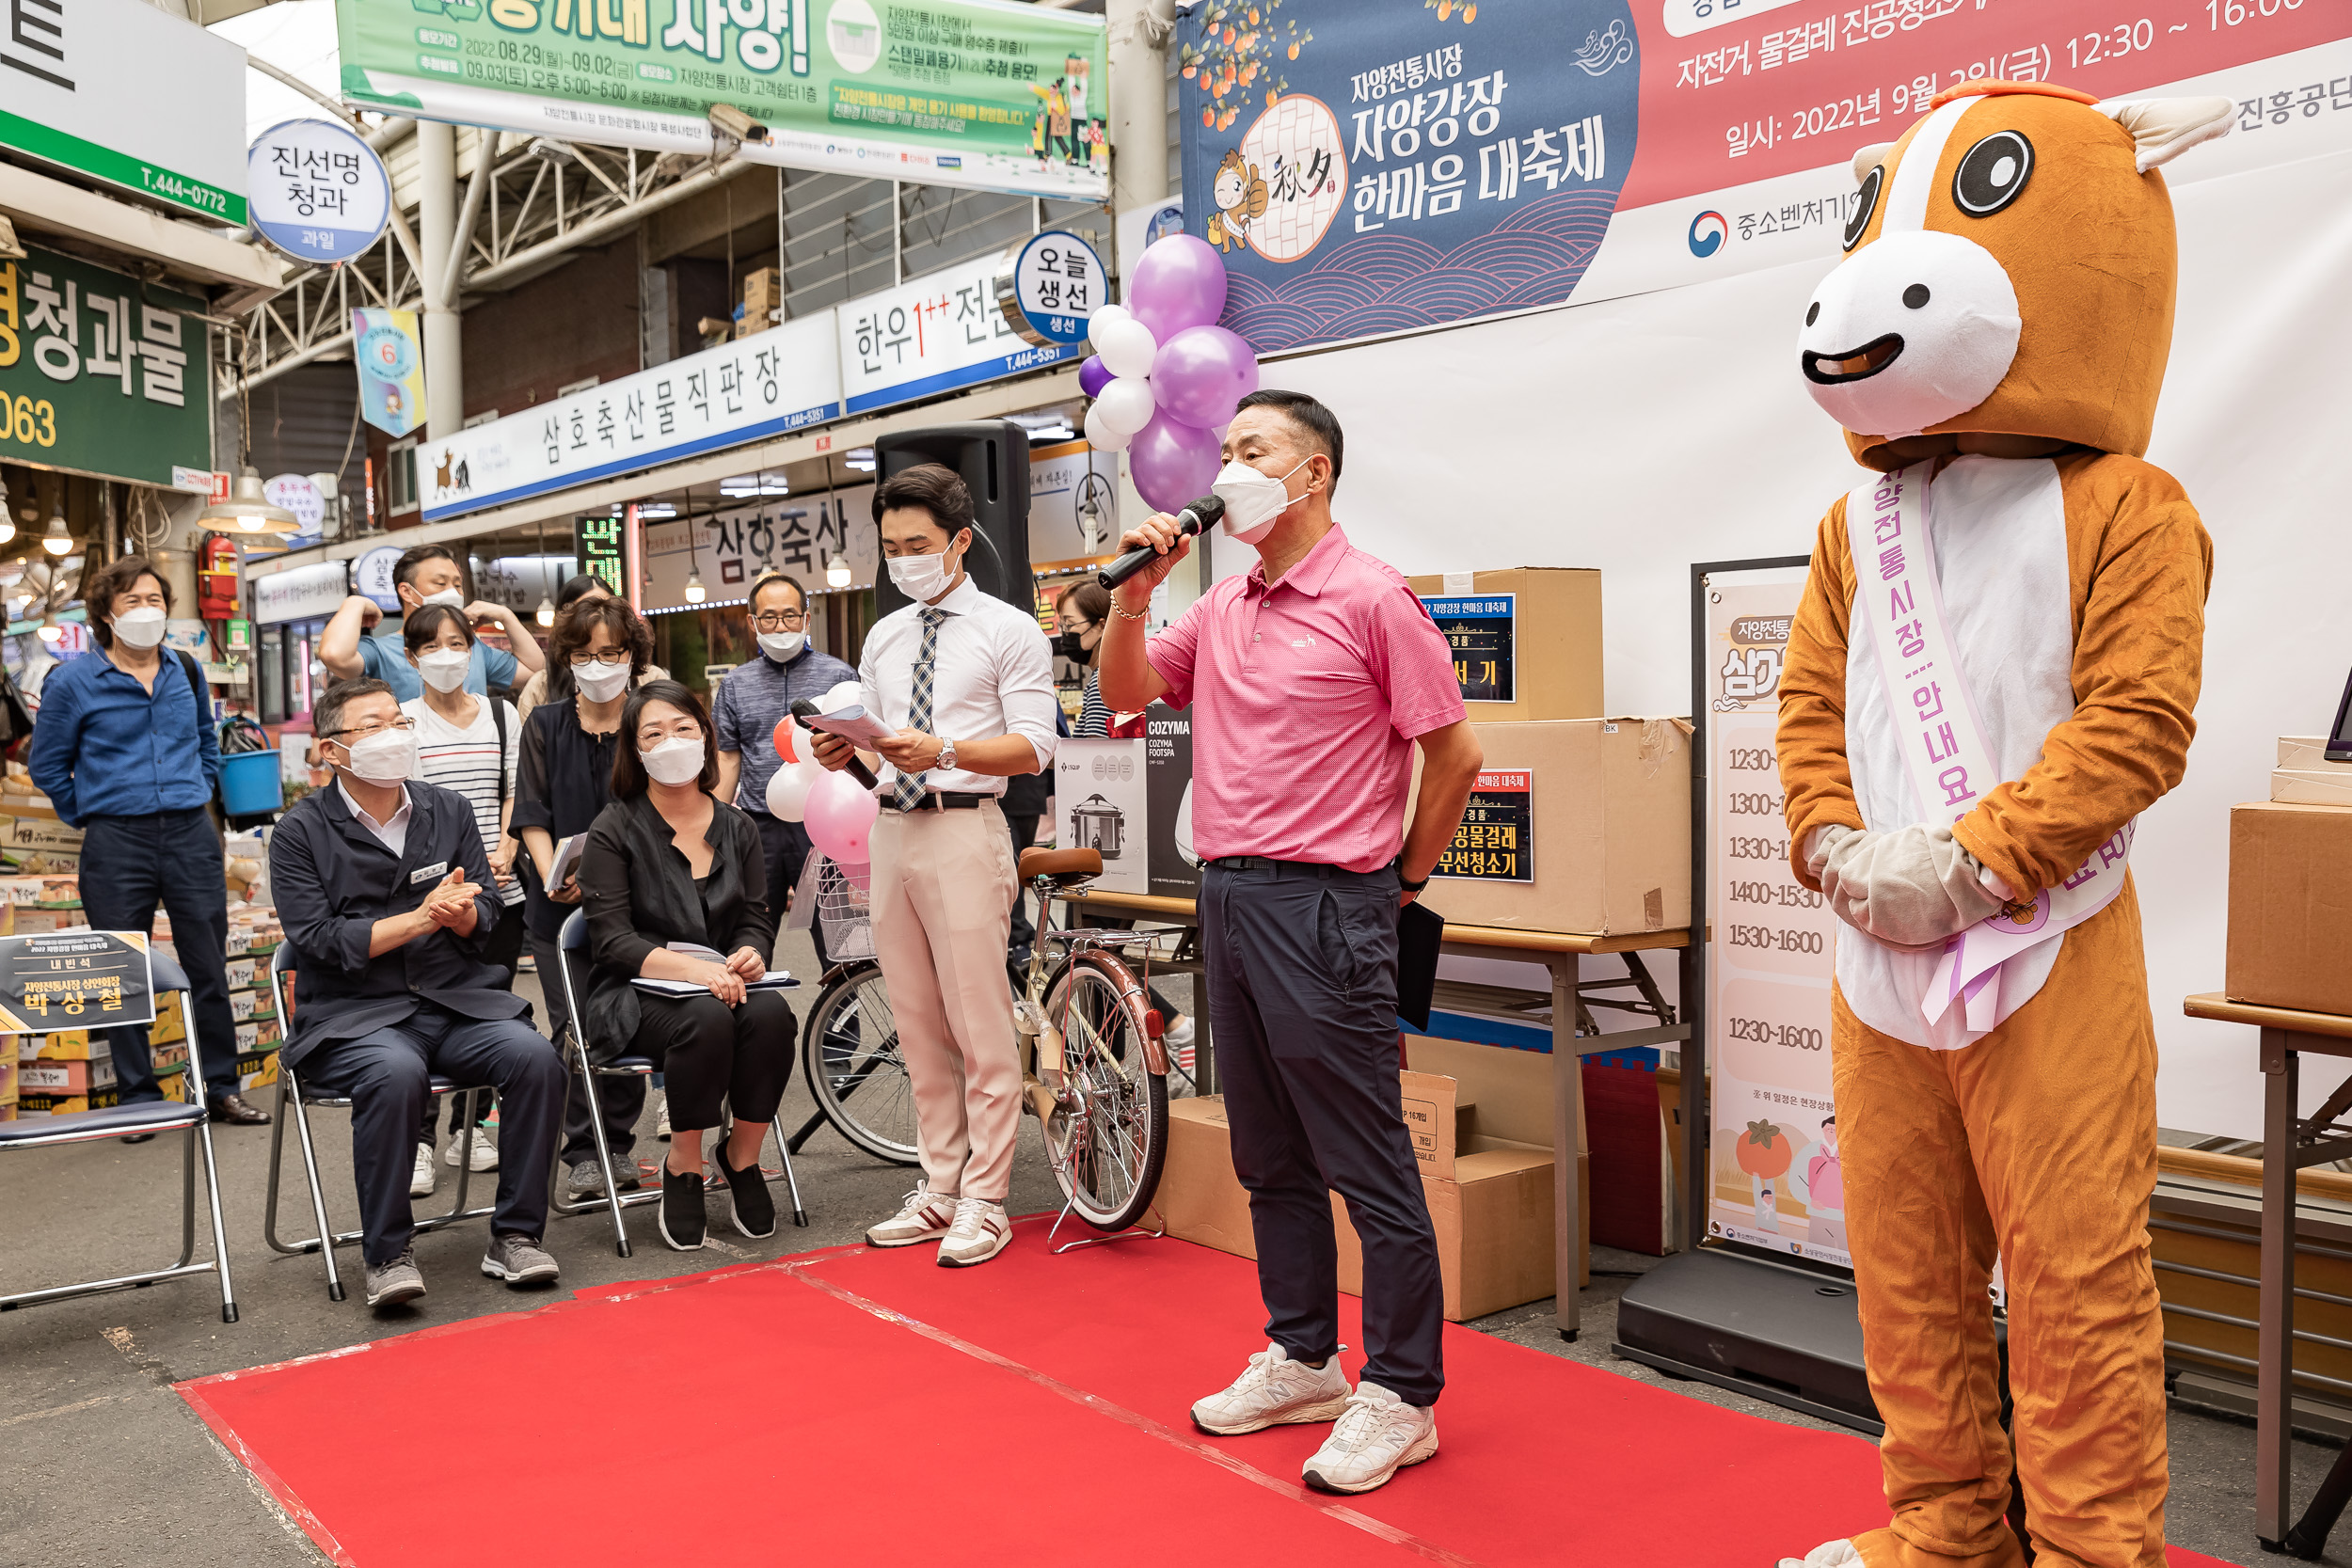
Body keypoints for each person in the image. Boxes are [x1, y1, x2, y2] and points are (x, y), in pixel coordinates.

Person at [1772, 87, 2231, 1568]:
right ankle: (1946, 1524)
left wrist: (1969, 861)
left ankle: (2096, 1546)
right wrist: (1834, 847)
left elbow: (2134, 725)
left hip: (2049, 937)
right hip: (1874, 959)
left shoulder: (2130, 507)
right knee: (1904, 1267)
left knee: (2076, 1270)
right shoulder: (1858, 530)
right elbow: (1808, 714)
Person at [1101, 388, 1483, 1496]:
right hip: (1227, 895)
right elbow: (1126, 694)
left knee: (1365, 1159)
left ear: (1311, 472)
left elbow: (1454, 754)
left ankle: (1403, 1391)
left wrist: (1400, 882)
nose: (1228, 467)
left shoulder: (1371, 597)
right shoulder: (1221, 603)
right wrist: (1133, 601)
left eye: (1250, 449)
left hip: (1330, 904)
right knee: (1269, 1152)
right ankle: (1306, 1356)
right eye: (1224, 448)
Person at [808, 463, 1057, 1269]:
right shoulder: (883, 635)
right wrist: (843, 752)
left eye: (918, 543)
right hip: (892, 828)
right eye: (890, 546)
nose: (904, 558)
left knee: (979, 1025)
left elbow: (1036, 745)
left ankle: (988, 1199)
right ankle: (939, 1185)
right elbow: (880, 755)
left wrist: (945, 748)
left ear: (959, 541)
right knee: (915, 1022)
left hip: (966, 827)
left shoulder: (1009, 628)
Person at [267, 678, 566, 1309]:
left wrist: (464, 915)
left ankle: (515, 1234)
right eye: (372, 726)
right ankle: (388, 1254)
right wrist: (421, 918)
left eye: (398, 721)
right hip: (355, 1015)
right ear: (332, 750)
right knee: (395, 1070)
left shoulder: (447, 809)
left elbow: (486, 910)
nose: (394, 735)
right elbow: (317, 939)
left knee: (536, 1057)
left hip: (455, 1001)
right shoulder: (300, 832)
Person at [27, 555, 270, 1133]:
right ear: (107, 614)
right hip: (116, 840)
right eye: (133, 601)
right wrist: (88, 812)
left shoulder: (184, 670)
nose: (146, 611)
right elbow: (48, 765)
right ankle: (138, 1096)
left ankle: (221, 1088)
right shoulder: (73, 681)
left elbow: (207, 744)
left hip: (190, 833)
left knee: (208, 964)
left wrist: (202, 788)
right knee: (119, 968)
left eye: (155, 601)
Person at [578, 681, 798, 1250]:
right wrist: (695, 972)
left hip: (725, 984)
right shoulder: (613, 828)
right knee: (707, 1019)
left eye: (683, 728)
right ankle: (683, 1161)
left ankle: (742, 1155)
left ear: (705, 737)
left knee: (772, 1015)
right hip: (635, 992)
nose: (670, 740)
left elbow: (754, 916)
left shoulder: (739, 826)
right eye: (653, 732)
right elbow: (611, 940)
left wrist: (753, 951)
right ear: (635, 748)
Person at [512, 596, 657, 1203]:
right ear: (566, 659)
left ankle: (617, 1144)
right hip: (556, 905)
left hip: (636, 905)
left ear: (632, 657)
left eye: (611, 654)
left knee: (624, 1018)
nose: (598, 665)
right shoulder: (544, 724)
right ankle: (581, 1151)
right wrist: (552, 877)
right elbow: (532, 815)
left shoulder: (649, 721)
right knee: (573, 1025)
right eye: (585, 655)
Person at [399, 605, 525, 1198]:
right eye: (432, 646)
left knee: (488, 1009)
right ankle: (419, 1141)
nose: (446, 655)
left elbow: (515, 791)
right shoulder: (403, 722)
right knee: (422, 1014)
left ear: (474, 650)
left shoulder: (501, 714)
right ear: (411, 657)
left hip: (501, 886)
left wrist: (502, 850)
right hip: (432, 895)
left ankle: (468, 1129)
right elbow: (407, 807)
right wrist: (449, 880)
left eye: (457, 643)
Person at [1055, 581, 1192, 1051]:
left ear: (1100, 623)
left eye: (1070, 625)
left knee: (1095, 951)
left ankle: (1136, 1051)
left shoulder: (1103, 681)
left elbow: (1097, 758)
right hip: (1136, 829)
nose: (1064, 634)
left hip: (1106, 839)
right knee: (1101, 950)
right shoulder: (1125, 676)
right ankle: (1165, 1032)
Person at [710, 571, 854, 948]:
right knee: (749, 936)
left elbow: (862, 756)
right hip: (757, 827)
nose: (780, 626)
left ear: (807, 619)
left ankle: (846, 1007)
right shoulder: (735, 684)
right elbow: (727, 760)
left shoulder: (838, 676)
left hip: (826, 824)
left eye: (790, 615)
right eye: (769, 617)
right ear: (753, 623)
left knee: (837, 936)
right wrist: (713, 825)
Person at [320, 544, 546, 704]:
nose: (452, 591)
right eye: (440, 583)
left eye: (457, 585)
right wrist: (354, 604)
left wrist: (506, 616)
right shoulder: (380, 651)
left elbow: (537, 672)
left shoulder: (473, 649)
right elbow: (334, 655)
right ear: (407, 592)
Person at [513, 575, 669, 721]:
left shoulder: (651, 679)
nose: (597, 618)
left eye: (606, 607)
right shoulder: (540, 687)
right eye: (583, 610)